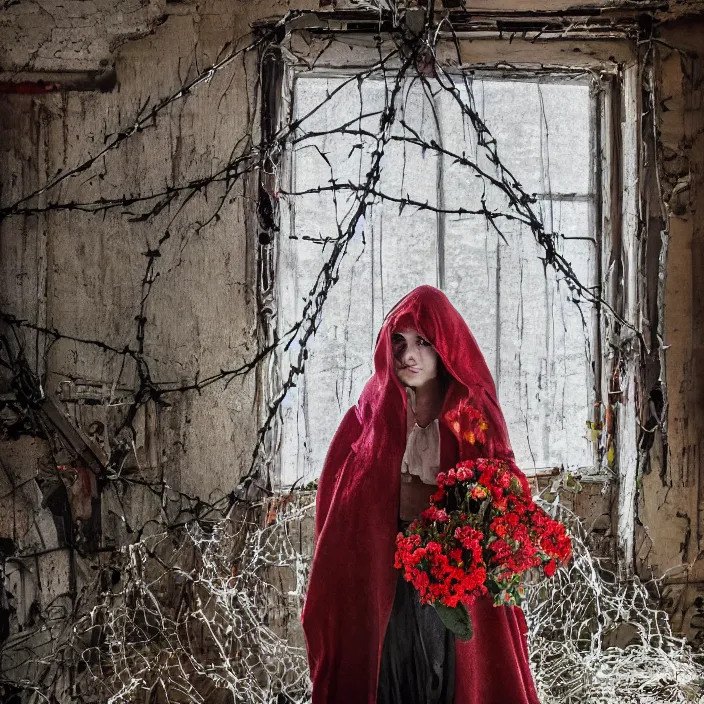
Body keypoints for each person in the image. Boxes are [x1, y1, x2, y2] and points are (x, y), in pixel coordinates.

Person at [301, 285, 540, 704]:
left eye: (422, 342)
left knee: (446, 673)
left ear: (445, 346)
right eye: (399, 342)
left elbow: (500, 489)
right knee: (391, 671)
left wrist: (448, 513)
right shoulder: (371, 417)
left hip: (451, 578)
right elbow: (343, 505)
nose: (408, 355)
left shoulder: (470, 417)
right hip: (385, 576)